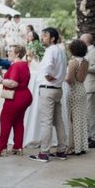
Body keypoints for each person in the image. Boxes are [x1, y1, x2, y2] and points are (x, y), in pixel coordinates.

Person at [29, 28, 68, 163]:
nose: (42, 37)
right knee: (58, 121)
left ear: (52, 38)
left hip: (48, 89)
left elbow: (48, 66)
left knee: (46, 122)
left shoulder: (51, 50)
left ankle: (44, 153)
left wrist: (48, 75)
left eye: (45, 35)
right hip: (57, 88)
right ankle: (62, 150)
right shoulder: (61, 50)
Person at [0, 45, 33, 156]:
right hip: (25, 96)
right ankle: (18, 147)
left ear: (17, 53)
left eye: (10, 51)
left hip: (16, 97)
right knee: (18, 121)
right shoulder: (24, 64)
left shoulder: (15, 66)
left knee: (5, 120)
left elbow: (13, 83)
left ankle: (1, 149)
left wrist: (1, 80)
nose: (8, 53)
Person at [65, 39, 89, 156]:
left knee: (73, 119)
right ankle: (82, 146)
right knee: (81, 119)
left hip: (74, 91)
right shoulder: (85, 61)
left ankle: (74, 147)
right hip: (82, 89)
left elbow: (70, 79)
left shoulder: (73, 62)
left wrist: (61, 78)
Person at [80, 34, 95, 148]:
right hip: (87, 86)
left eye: (81, 39)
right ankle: (90, 136)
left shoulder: (94, 52)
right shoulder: (88, 52)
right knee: (88, 113)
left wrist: (83, 67)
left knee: (90, 113)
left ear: (85, 41)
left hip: (92, 86)